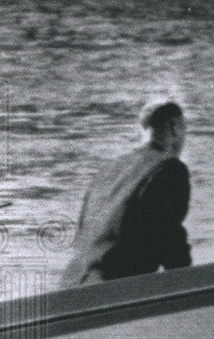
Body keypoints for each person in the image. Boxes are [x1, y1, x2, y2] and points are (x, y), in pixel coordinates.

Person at [60, 99, 192, 287]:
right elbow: (171, 243)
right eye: (185, 129)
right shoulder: (169, 168)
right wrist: (190, 289)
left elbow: (83, 234)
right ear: (174, 128)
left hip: (70, 287)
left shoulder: (107, 170)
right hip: (113, 292)